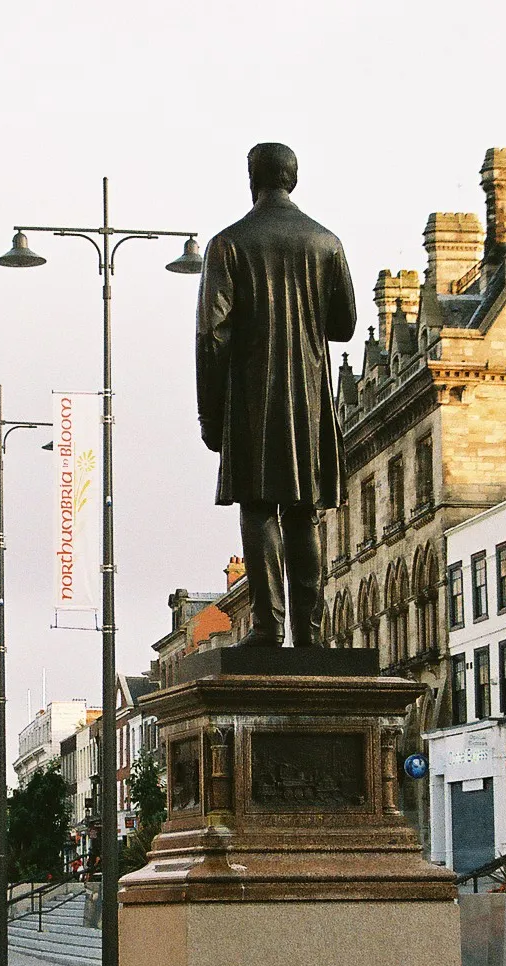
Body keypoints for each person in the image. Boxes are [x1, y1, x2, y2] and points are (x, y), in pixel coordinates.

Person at [196, 142, 356, 648]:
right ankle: (309, 633)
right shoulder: (327, 243)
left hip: (250, 399)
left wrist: (210, 413)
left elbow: (210, 336)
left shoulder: (228, 244)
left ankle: (268, 627)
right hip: (309, 398)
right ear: (294, 179)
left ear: (251, 178)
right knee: (303, 510)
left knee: (259, 509)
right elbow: (345, 325)